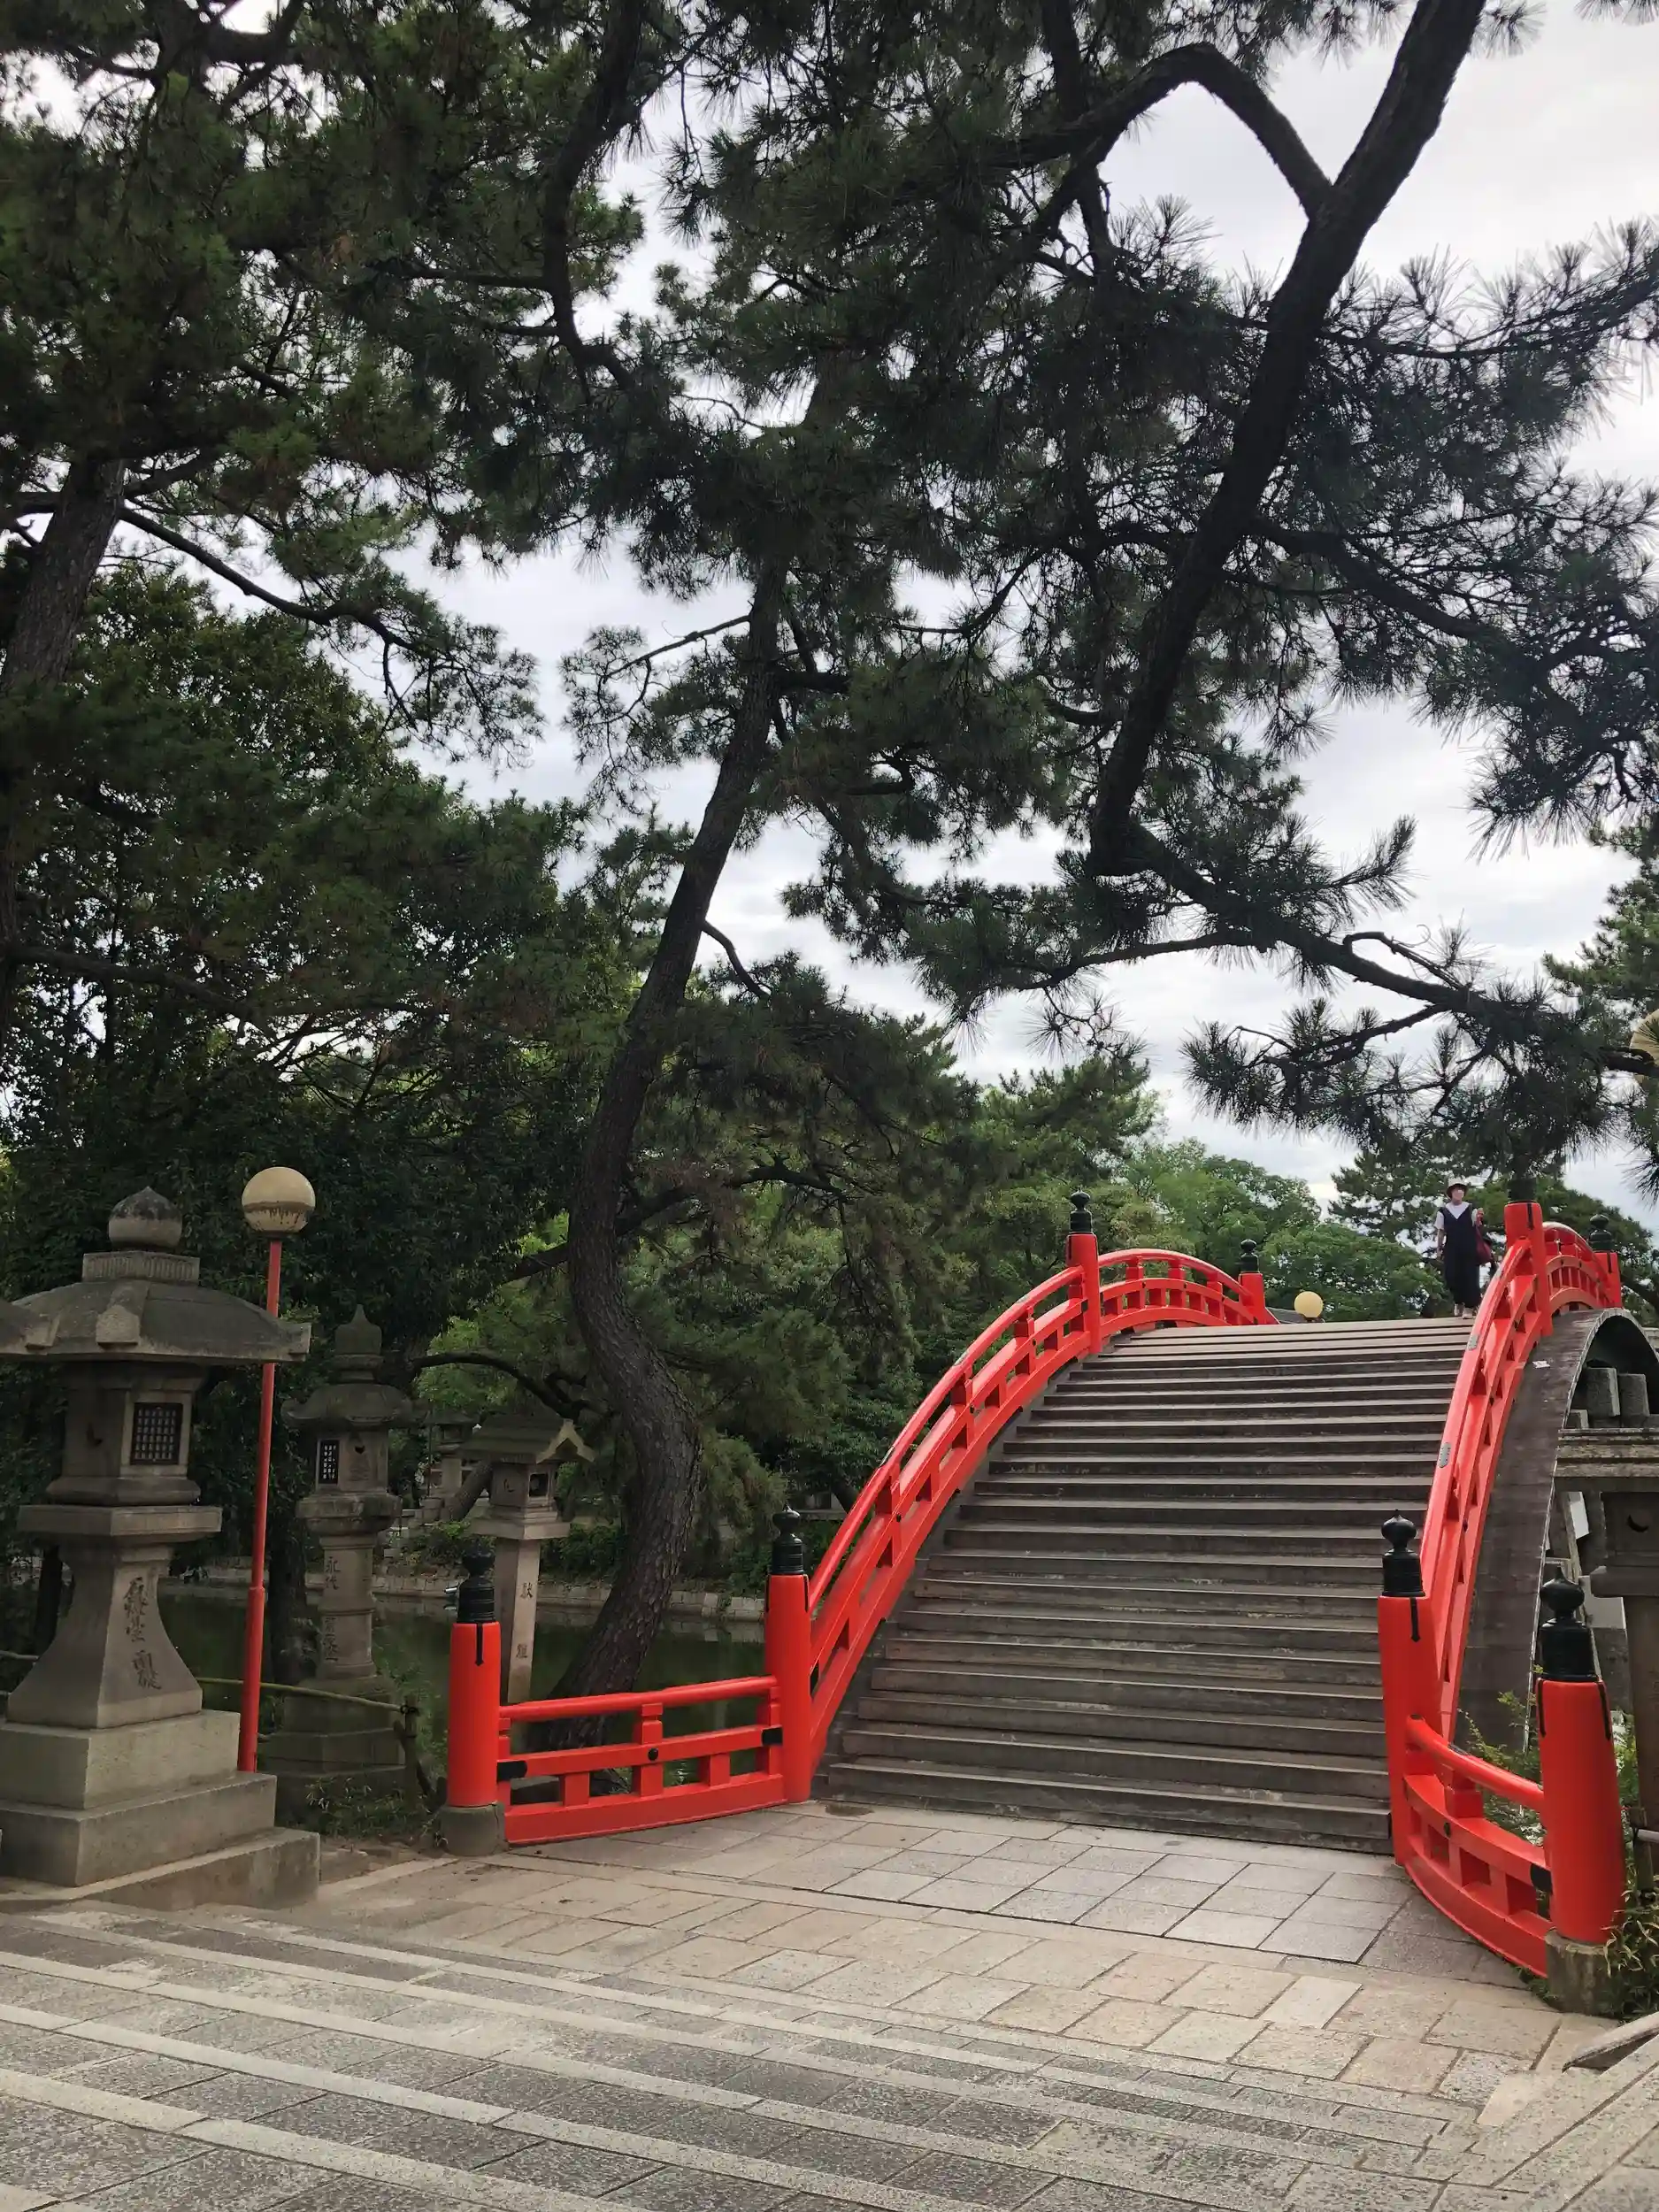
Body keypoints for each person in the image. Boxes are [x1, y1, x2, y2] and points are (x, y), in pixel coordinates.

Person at [1436, 1181, 1488, 1316]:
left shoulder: (1471, 1208)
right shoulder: (1443, 1211)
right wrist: (1439, 1248)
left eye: (1461, 1190)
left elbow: (1478, 1226)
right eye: (1456, 1190)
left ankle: (1470, 1307)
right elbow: (1441, 1231)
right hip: (1451, 1247)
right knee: (1451, 1276)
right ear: (1451, 1193)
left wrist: (1479, 1220)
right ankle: (1458, 1301)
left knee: (1470, 1276)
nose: (1459, 1192)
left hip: (1469, 1247)